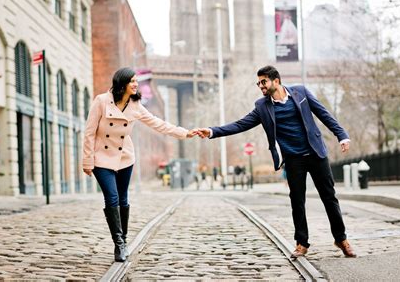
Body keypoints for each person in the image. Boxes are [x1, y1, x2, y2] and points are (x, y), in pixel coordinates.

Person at [197, 65, 356, 258]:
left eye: (263, 82)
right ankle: (302, 243)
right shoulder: (262, 106)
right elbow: (240, 124)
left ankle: (341, 239)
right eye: (259, 83)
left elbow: (324, 114)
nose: (261, 86)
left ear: (276, 81)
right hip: (293, 159)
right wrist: (213, 131)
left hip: (315, 154)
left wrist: (342, 135)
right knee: (297, 201)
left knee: (329, 198)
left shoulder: (301, 93)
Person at [82, 67, 197, 262]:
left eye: (137, 81)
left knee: (123, 199)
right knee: (112, 198)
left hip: (125, 158)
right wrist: (87, 160)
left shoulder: (135, 105)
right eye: (132, 81)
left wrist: (184, 133)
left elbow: (157, 123)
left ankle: (123, 240)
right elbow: (89, 132)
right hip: (102, 158)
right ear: (122, 84)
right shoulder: (101, 101)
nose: (136, 84)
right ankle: (118, 244)